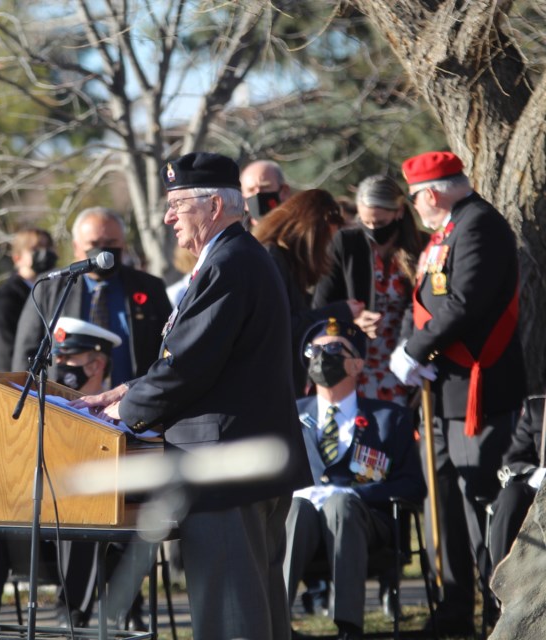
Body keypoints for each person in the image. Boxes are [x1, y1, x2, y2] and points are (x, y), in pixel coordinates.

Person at [75, 152, 311, 640]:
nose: (167, 217)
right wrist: (126, 388)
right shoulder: (237, 257)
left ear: (216, 206)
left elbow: (188, 367)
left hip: (224, 469)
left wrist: (125, 411)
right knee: (258, 611)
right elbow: (203, 360)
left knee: (232, 619)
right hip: (245, 463)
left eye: (178, 205)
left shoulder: (230, 264)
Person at [388, 151, 525, 635]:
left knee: (478, 501)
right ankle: (452, 610)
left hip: (477, 388)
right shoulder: (445, 232)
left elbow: (466, 301)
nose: (416, 208)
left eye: (416, 199)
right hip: (443, 387)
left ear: (431, 193)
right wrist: (410, 348)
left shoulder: (479, 225)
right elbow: (423, 298)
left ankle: (496, 611)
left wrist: (418, 349)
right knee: (441, 500)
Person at [0, 317, 123, 627]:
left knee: (82, 509)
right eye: (58, 357)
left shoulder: (120, 409)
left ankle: (72, 622)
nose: (59, 364)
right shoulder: (43, 407)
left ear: (95, 365)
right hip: (37, 528)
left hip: (102, 534)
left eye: (68, 358)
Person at [284, 318, 425, 640]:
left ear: (357, 363)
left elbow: (413, 487)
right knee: (296, 509)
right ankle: (276, 625)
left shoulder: (390, 418)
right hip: (301, 526)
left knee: (340, 503)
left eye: (333, 348)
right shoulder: (290, 416)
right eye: (314, 350)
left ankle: (349, 628)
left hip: (364, 524)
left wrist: (353, 493)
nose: (321, 356)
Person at [11, 207, 170, 387]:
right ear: (76, 247)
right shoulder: (50, 287)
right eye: (94, 244)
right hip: (66, 405)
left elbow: (168, 350)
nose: (103, 251)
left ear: (123, 244)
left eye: (111, 242)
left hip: (131, 406)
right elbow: (26, 354)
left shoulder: (150, 287)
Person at [314, 175, 428, 406]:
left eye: (380, 223)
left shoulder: (420, 245)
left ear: (399, 212)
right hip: (355, 359)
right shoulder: (346, 242)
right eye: (366, 223)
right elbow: (321, 306)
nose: (373, 229)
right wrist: (351, 319)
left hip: (405, 357)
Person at [252, 189, 364, 394]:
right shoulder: (272, 257)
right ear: (312, 230)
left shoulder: (285, 260)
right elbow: (281, 327)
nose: (326, 248)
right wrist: (339, 311)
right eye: (325, 239)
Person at [0, 228, 56, 372]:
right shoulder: (5, 299)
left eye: (47, 247)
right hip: (16, 383)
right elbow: (5, 351)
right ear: (17, 257)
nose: (44, 253)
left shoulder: (56, 292)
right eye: (35, 249)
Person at [489, 394, 545, 571]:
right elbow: (513, 460)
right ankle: (504, 587)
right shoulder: (537, 409)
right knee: (510, 496)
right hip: (540, 491)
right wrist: (536, 474)